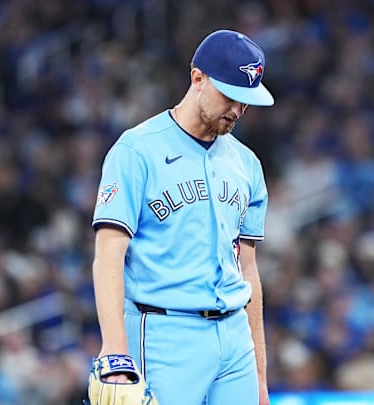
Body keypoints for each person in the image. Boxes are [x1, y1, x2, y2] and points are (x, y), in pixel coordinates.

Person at [90, 29, 275, 404]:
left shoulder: (247, 164)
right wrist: (115, 349)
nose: (238, 110)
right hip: (164, 334)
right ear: (197, 78)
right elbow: (109, 253)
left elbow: (249, 269)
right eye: (231, 96)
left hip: (235, 337)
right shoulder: (136, 151)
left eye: (246, 101)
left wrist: (258, 373)